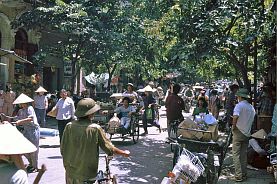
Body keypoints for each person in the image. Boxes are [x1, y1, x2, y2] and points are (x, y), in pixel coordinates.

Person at [60, 98, 130, 184]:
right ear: (90, 114)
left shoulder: (69, 126)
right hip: (87, 175)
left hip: (70, 173)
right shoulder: (95, 128)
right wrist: (124, 153)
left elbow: (63, 149)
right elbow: (109, 149)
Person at [231, 88, 255, 182]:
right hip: (247, 133)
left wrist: (233, 127)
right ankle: (244, 174)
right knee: (243, 155)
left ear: (240, 96)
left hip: (238, 131)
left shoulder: (239, 106)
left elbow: (235, 117)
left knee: (236, 154)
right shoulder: (251, 107)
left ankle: (238, 176)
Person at [13, 93, 40, 173]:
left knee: (34, 149)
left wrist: (20, 121)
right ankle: (31, 164)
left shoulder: (30, 108)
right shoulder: (21, 111)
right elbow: (16, 119)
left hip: (33, 130)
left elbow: (30, 119)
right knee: (24, 149)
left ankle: (34, 166)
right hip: (26, 130)